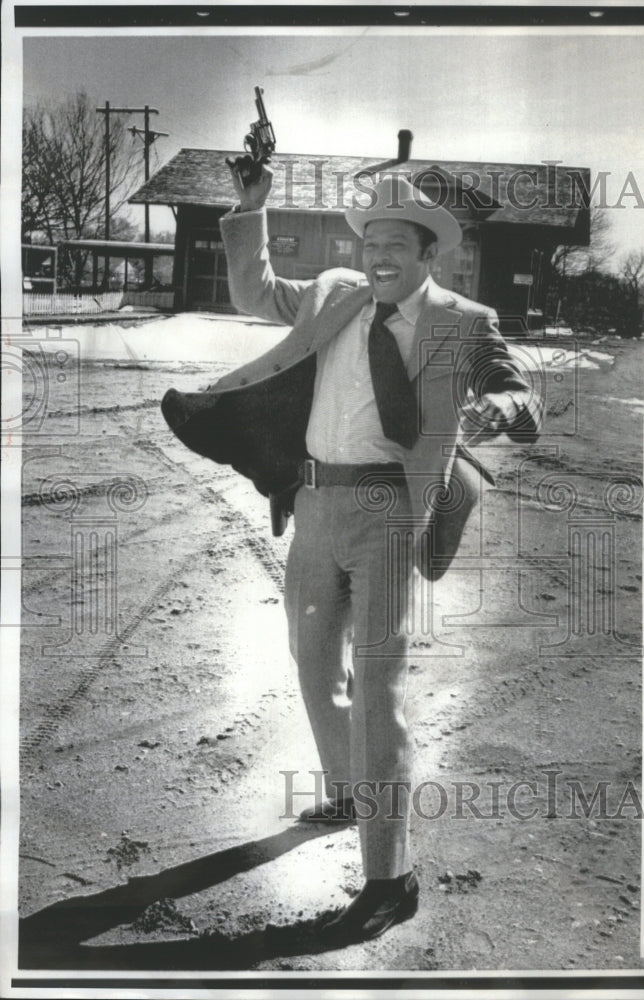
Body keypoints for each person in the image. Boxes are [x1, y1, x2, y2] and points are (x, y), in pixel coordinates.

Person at [168, 162, 542, 945]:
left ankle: (389, 877)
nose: (379, 257)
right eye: (371, 242)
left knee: (377, 686)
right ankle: (348, 789)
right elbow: (254, 293)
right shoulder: (335, 292)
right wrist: (252, 206)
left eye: (397, 246)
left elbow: (515, 385)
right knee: (312, 663)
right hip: (312, 503)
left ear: (427, 256)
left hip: (388, 511)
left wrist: (501, 402)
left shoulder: (461, 320)